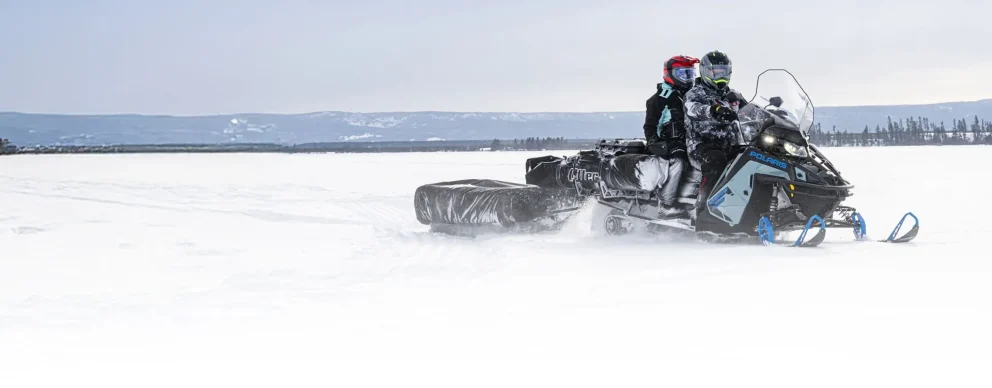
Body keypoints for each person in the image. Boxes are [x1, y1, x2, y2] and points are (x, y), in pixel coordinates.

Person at [682, 50, 749, 226]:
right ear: (705, 71)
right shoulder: (695, 93)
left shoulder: (733, 95)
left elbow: (750, 113)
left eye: (723, 71)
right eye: (716, 71)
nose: (720, 75)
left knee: (753, 158)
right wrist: (713, 110)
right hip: (702, 146)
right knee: (716, 161)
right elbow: (693, 109)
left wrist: (772, 113)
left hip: (732, 144)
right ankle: (703, 211)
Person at [642, 55, 699, 219]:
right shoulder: (660, 99)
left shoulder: (693, 95)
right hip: (669, 142)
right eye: (683, 74)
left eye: (690, 74)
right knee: (679, 160)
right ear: (670, 74)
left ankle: (694, 199)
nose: (688, 78)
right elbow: (650, 125)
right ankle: (666, 204)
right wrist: (653, 141)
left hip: (692, 140)